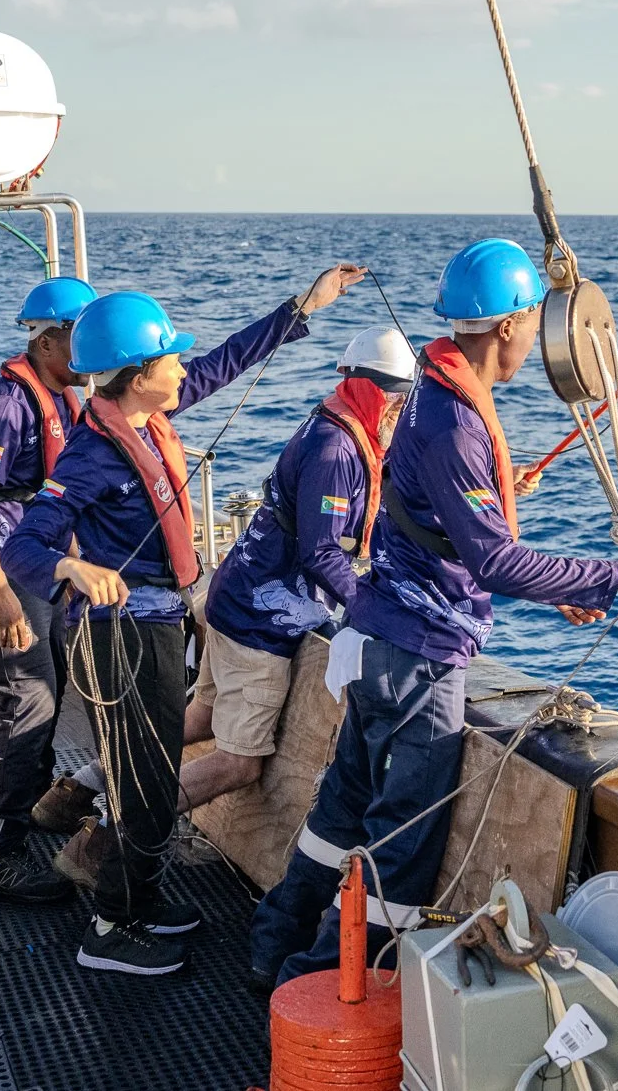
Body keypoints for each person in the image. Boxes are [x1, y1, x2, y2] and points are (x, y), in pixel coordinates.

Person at [250, 239, 618, 988]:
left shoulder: (429, 391)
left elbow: (442, 524)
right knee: (403, 847)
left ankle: (276, 948)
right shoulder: (455, 422)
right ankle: (324, 986)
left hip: (379, 645)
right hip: (420, 663)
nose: (532, 332)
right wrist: (606, 579)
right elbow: (490, 561)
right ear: (507, 327)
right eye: (528, 317)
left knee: (340, 816)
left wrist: (552, 582)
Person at [2, 268, 364, 977]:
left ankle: (142, 896)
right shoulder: (91, 452)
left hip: (162, 626)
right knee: (141, 785)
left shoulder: (145, 414)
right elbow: (25, 544)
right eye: (170, 356)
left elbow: (226, 361)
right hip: (122, 638)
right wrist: (72, 571)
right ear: (138, 375)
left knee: (154, 769)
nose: (182, 366)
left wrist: (301, 306)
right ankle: (110, 926)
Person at [52, 327, 417, 889]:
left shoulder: (337, 425)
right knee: (239, 762)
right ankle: (105, 835)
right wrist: (373, 609)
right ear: (383, 398)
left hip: (230, 598)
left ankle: (82, 784)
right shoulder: (338, 450)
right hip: (260, 624)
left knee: (193, 718)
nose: (402, 413)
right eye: (399, 401)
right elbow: (322, 553)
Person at [0, 275, 97, 904]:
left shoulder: (61, 398)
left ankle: (31, 812)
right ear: (48, 342)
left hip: (35, 566)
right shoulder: (5, 406)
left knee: (51, 687)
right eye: (81, 339)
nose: (91, 354)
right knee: (31, 701)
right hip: (4, 573)